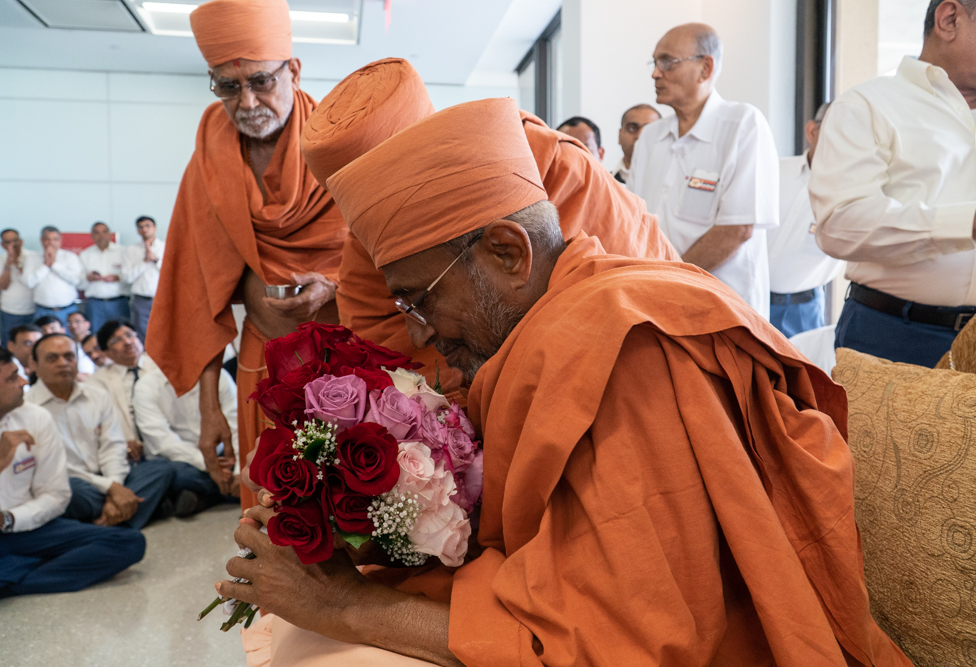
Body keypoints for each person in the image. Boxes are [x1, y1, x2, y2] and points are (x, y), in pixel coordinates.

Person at [225, 99, 910, 665]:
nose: (423, 334)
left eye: (421, 300)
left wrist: (345, 603)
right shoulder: (551, 324)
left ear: (507, 251)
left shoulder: (623, 348)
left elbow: (626, 640)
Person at [300, 57, 678, 396]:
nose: (386, 214)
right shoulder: (367, 249)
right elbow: (396, 374)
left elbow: (620, 315)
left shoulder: (536, 166)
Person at [145, 0, 349, 510]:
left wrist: (335, 288)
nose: (248, 101)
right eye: (228, 86)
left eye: (261, 81)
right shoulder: (211, 150)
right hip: (262, 362)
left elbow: (386, 260)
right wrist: (210, 408)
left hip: (347, 356)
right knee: (273, 505)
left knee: (350, 502)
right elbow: (197, 287)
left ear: (293, 71)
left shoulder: (340, 142)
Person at [810, 0, 976, 367]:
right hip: (893, 334)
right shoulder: (866, 106)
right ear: (949, 20)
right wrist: (967, 224)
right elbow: (841, 225)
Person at [627, 24, 779, 319]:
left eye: (667, 62)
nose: (655, 73)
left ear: (705, 68)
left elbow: (736, 230)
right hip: (654, 306)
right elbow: (633, 219)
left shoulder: (743, 125)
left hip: (721, 312)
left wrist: (667, 282)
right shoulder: (650, 137)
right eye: (655, 63)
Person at [0, 346, 145, 603]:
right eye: (12, 378)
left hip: (29, 528)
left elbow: (56, 495)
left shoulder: (34, 417)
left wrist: (5, 520)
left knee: (128, 542)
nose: (24, 382)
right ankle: (29, 569)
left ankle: (9, 580)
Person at [26, 334, 173, 530]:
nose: (63, 363)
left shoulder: (97, 396)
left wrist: (115, 484)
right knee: (71, 492)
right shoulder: (26, 409)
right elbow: (54, 467)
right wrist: (111, 489)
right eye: (52, 358)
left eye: (69, 356)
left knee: (161, 467)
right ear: (34, 364)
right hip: (71, 484)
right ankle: (128, 516)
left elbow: (113, 446)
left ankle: (103, 525)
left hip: (108, 477)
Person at [767, 103, 845, 338]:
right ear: (812, 132)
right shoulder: (771, 170)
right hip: (747, 297)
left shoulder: (852, 193)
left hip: (802, 310)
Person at [134, 362, 240, 517]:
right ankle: (227, 492)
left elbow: (236, 425)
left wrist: (239, 471)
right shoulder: (146, 387)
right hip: (185, 461)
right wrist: (210, 465)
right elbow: (164, 443)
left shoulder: (219, 376)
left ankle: (205, 497)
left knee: (254, 463)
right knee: (173, 474)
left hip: (223, 455)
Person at [90, 321, 154, 457]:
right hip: (130, 452)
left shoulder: (161, 367)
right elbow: (99, 423)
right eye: (116, 340)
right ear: (106, 353)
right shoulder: (97, 383)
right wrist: (122, 442)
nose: (127, 342)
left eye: (130, 335)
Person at [23, 226, 84, 324]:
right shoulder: (32, 258)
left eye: (55, 239)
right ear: (41, 241)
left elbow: (76, 280)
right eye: (47, 239)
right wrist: (46, 266)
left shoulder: (70, 257)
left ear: (60, 241)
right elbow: (29, 282)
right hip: (43, 311)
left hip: (67, 310)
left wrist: (55, 265)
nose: (51, 243)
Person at [78, 222, 129, 335]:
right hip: (94, 304)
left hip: (118, 302)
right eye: (97, 232)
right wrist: (89, 278)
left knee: (121, 335)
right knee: (96, 337)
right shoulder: (85, 254)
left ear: (110, 234)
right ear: (92, 235)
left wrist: (118, 277)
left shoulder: (124, 252)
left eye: (104, 232)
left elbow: (131, 277)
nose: (101, 235)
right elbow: (78, 283)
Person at [121, 216, 163, 344]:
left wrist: (156, 259)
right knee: (141, 336)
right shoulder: (131, 250)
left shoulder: (166, 246)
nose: (144, 229)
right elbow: (126, 278)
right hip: (141, 301)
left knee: (164, 334)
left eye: (147, 226)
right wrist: (145, 262)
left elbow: (175, 274)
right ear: (137, 231)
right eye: (141, 227)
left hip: (163, 299)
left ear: (155, 228)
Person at [0, 229, 36, 338]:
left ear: (21, 241)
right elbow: (3, 286)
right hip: (10, 311)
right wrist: (8, 264)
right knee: (10, 343)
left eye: (15, 240)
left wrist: (17, 262)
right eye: (7, 242)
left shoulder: (33, 256)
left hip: (33, 309)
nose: (12, 245)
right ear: (2, 245)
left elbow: (32, 282)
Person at [612, 104, 662, 184]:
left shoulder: (674, 182)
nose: (639, 136)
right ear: (620, 135)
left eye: (649, 130)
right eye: (632, 128)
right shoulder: (602, 182)